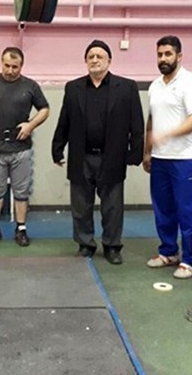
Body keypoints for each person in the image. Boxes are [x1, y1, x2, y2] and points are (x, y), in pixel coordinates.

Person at [51, 40, 144, 265]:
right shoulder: (73, 88)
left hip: (112, 157)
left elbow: (137, 124)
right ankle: (85, 244)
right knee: (80, 206)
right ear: (85, 61)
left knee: (113, 207)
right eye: (90, 56)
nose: (94, 60)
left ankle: (112, 246)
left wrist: (135, 154)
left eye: (99, 56)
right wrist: (57, 148)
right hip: (81, 157)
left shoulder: (127, 87)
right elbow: (64, 121)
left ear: (109, 60)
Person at [143, 36, 192, 279]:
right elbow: (151, 120)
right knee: (163, 209)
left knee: (186, 211)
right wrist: (147, 151)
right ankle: (169, 251)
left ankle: (191, 259)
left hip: (185, 159)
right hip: (159, 159)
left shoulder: (191, 83)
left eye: (168, 54)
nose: (163, 59)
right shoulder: (154, 86)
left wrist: (167, 134)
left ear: (179, 56)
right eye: (160, 54)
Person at [0, 47, 50, 247]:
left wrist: (31, 125)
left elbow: (45, 109)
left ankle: (21, 228)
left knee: (21, 191)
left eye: (15, 67)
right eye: (6, 65)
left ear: (21, 66)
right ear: (2, 63)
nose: (10, 70)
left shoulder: (30, 86)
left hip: (21, 148)